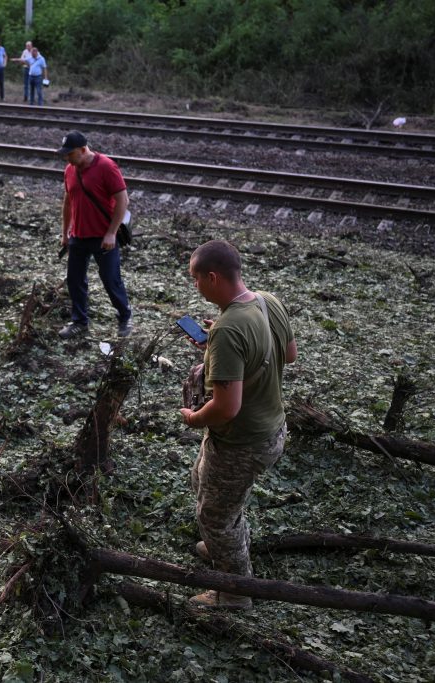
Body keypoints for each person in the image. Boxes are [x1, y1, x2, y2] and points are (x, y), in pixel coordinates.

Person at [179, 239, 297, 609]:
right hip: (273, 427)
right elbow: (289, 355)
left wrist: (194, 419)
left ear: (212, 277)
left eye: (195, 279)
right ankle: (224, 544)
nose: (195, 286)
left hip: (242, 440)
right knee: (203, 480)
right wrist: (222, 347)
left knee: (214, 515)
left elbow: (226, 408)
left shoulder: (230, 330)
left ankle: (234, 591)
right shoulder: (266, 301)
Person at [57, 131, 132, 339]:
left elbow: (123, 201)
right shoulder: (70, 170)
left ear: (83, 150)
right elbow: (68, 202)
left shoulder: (106, 167)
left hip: (103, 237)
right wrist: (65, 233)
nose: (67, 158)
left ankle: (125, 317)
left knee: (110, 279)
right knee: (75, 280)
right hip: (78, 236)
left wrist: (111, 233)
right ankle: (79, 322)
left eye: (70, 154)